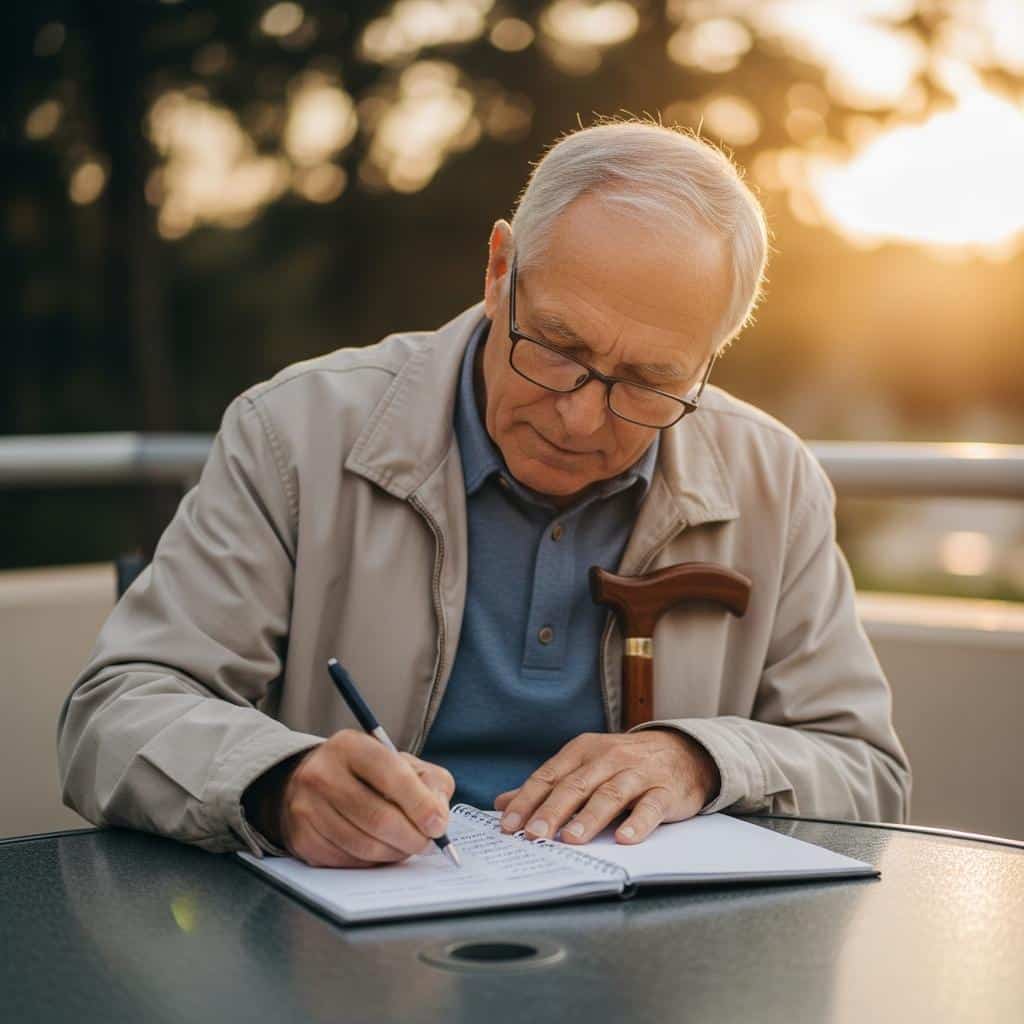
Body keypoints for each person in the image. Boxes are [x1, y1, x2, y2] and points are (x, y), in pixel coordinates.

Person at [58, 120, 910, 869]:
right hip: (343, 965)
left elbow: (867, 774)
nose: (580, 418)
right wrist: (277, 784)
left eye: (651, 382)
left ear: (710, 360)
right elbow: (114, 713)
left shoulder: (777, 478)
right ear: (500, 269)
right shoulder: (295, 433)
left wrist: (701, 759)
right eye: (558, 346)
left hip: (655, 967)